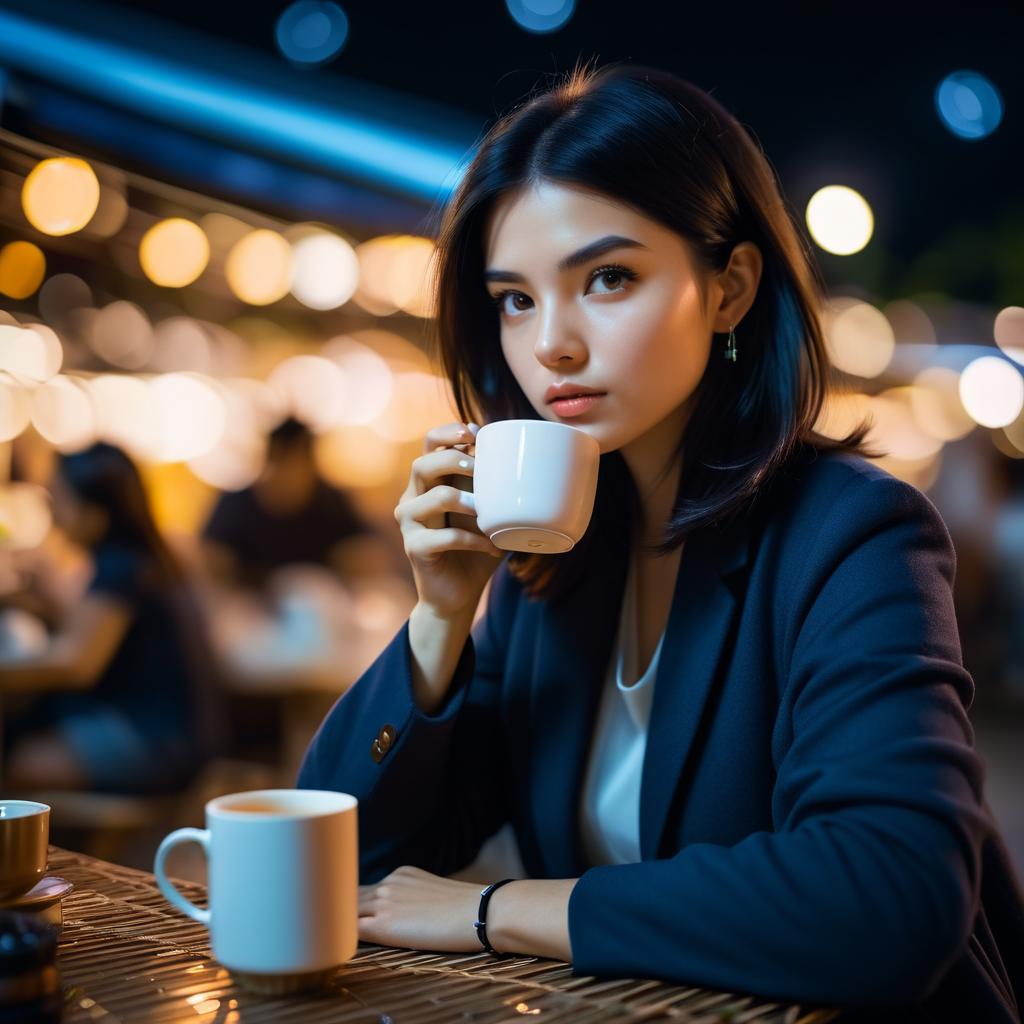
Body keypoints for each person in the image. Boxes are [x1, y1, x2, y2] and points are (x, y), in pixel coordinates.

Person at [296, 60, 1024, 1022]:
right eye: (514, 298)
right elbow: (350, 858)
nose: (551, 342)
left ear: (729, 290)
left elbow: (891, 895)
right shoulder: (551, 563)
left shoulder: (851, 532)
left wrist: (499, 910)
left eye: (607, 278)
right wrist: (439, 616)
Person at [1, 443, 223, 794]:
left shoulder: (122, 568)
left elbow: (76, 663)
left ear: (95, 512)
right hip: (172, 734)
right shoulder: (141, 561)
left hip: (155, 742)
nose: (54, 513)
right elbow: (91, 633)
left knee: (14, 763)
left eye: (58, 497)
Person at [201, 415, 399, 593]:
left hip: (326, 606)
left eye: (299, 463)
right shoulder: (237, 503)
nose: (291, 474)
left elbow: (368, 554)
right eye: (285, 461)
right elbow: (212, 560)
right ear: (270, 461)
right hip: (254, 608)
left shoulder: (332, 501)